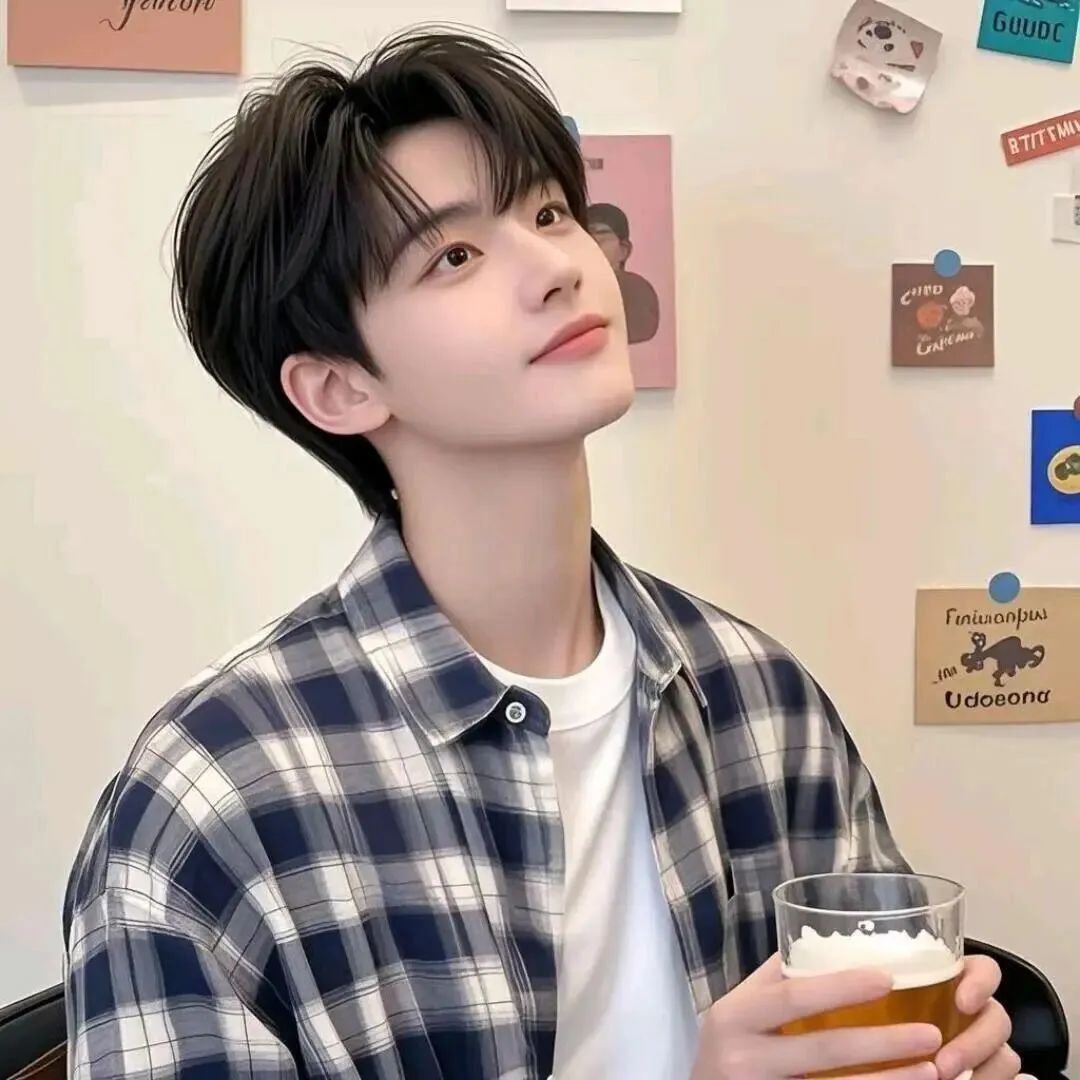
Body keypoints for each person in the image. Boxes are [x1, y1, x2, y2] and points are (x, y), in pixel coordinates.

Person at [62, 26, 1017, 1080]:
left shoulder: (761, 698)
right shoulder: (214, 795)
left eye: (551, 213)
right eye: (455, 256)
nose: (559, 268)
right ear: (340, 387)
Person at [586, 201, 661, 345]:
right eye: (586, 235)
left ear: (624, 249)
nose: (592, 242)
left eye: (601, 234)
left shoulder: (637, 290)